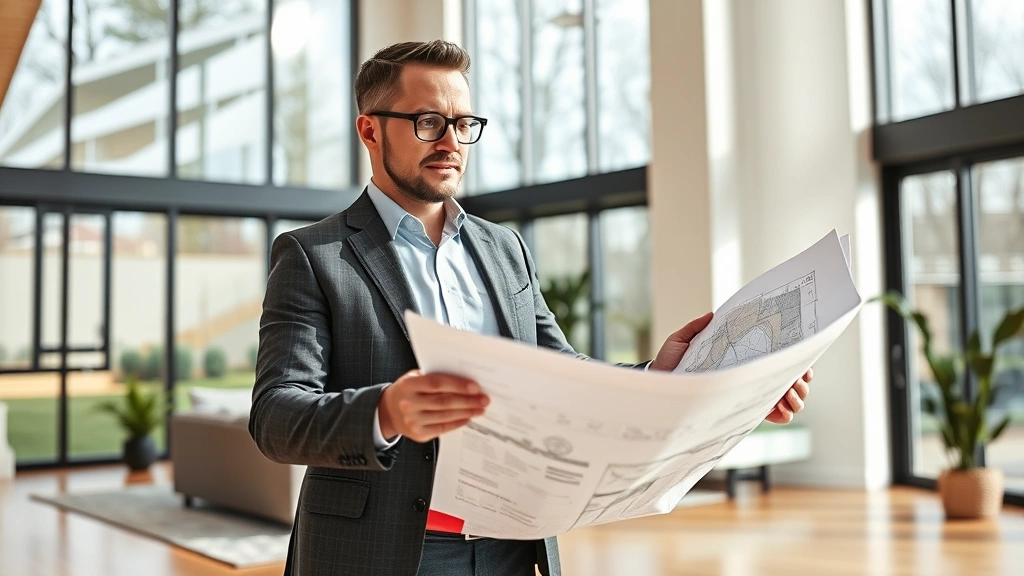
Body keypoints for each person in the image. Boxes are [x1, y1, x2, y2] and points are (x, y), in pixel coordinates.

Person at [249, 39, 812, 576]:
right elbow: (276, 416)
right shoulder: (313, 255)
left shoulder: (504, 249)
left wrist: (671, 375)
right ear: (369, 130)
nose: (451, 142)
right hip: (381, 552)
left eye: (464, 124)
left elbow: (562, 374)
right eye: (428, 122)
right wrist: (388, 411)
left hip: (511, 550)